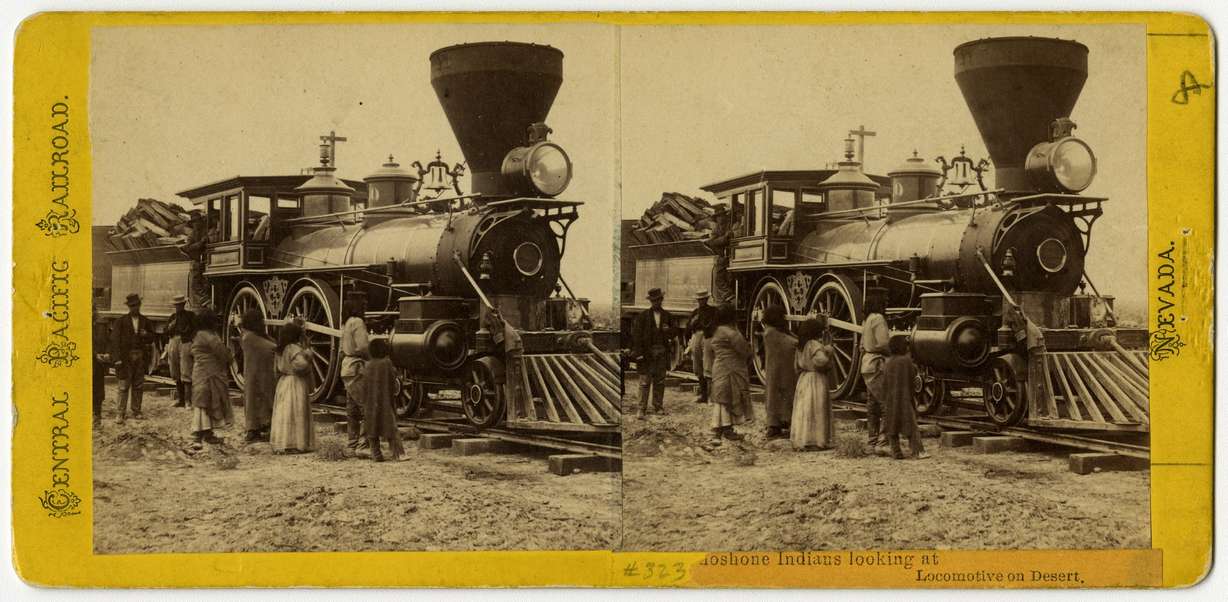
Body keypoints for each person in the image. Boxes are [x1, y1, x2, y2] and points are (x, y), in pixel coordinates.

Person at [707, 303, 753, 443]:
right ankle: (723, 430)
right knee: (729, 399)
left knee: (722, 400)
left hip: (720, 367)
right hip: (730, 369)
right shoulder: (731, 332)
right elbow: (744, 350)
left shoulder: (717, 330)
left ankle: (721, 429)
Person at [270, 322, 316, 453]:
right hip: (295, 382)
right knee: (296, 411)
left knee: (284, 413)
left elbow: (276, 370)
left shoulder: (280, 349)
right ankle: (295, 443)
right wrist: (308, 355)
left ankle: (283, 442)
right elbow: (301, 366)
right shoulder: (293, 348)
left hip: (283, 381)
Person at [882, 335, 930, 460]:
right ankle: (918, 451)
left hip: (891, 400)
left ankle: (896, 452)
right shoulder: (906, 361)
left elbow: (885, 383)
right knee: (911, 427)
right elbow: (913, 377)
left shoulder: (887, 362)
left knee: (892, 428)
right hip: (904, 398)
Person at [190, 309, 234, 445]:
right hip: (209, 373)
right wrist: (230, 356)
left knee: (202, 402)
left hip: (200, 372)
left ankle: (205, 432)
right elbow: (222, 352)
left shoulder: (199, 334)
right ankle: (200, 434)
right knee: (207, 400)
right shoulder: (210, 336)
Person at [791, 317, 835, 451]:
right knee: (817, 408)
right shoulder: (814, 345)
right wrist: (828, 352)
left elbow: (796, 366)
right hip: (816, 379)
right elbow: (820, 362)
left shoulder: (801, 345)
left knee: (804, 410)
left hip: (804, 379)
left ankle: (803, 439)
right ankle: (816, 440)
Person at [110, 293, 153, 423]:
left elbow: (152, 338)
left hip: (140, 355)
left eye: (136, 305)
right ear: (129, 307)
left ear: (139, 305)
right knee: (123, 385)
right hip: (125, 356)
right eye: (132, 306)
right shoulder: (121, 321)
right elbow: (115, 341)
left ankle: (136, 410)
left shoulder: (145, 321)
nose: (134, 308)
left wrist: (146, 335)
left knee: (138, 385)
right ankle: (120, 413)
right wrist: (117, 358)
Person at [631, 287, 673, 418]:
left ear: (661, 300)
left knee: (660, 381)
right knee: (644, 381)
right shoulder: (643, 317)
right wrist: (639, 354)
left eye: (658, 300)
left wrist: (668, 330)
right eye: (654, 301)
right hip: (647, 353)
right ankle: (641, 409)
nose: (656, 303)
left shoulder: (667, 316)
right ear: (651, 301)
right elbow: (636, 337)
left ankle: (658, 406)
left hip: (661, 352)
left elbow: (674, 332)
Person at [363, 339, 405, 462]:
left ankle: (376, 454)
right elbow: (393, 383)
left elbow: (364, 385)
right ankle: (398, 453)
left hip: (371, 402)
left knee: (372, 428)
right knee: (391, 428)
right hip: (385, 400)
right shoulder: (387, 363)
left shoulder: (368, 365)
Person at [859, 288, 891, 453]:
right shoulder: (878, 318)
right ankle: (882, 443)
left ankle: (871, 442)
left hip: (867, 364)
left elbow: (862, 345)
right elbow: (884, 343)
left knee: (872, 405)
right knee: (887, 403)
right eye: (884, 299)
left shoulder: (867, 320)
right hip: (878, 364)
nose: (887, 302)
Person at [239, 308, 276, 442]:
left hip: (258, 372)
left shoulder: (251, 335)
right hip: (256, 374)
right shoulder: (249, 337)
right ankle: (252, 430)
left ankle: (258, 427)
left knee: (258, 398)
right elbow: (269, 346)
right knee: (257, 398)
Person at [761, 304, 797, 439]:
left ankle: (776, 424)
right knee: (782, 395)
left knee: (777, 396)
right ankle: (775, 425)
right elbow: (791, 343)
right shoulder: (771, 333)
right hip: (780, 371)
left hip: (778, 370)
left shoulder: (773, 331)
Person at [340, 291, 371, 449]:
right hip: (357, 367)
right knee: (367, 406)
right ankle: (363, 445)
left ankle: (352, 444)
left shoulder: (346, 323)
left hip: (346, 367)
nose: (365, 305)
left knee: (351, 409)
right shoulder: (358, 322)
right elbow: (363, 346)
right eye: (363, 303)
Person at [685, 290, 717, 404]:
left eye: (703, 299)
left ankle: (710, 397)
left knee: (708, 366)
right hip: (696, 336)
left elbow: (713, 325)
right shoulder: (695, 312)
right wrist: (692, 324)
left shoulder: (713, 311)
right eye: (699, 299)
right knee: (698, 366)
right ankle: (703, 395)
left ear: (706, 299)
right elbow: (688, 327)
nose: (701, 301)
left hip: (708, 337)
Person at [165, 295, 195, 407]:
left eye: (180, 305)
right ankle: (181, 400)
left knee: (186, 370)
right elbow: (165, 331)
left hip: (185, 342)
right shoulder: (172, 317)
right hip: (173, 341)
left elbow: (195, 329)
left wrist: (191, 340)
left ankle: (188, 401)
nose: (178, 307)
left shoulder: (190, 316)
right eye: (177, 305)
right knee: (175, 370)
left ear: (183, 305)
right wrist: (170, 327)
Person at [704, 205, 734, 305]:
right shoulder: (716, 229)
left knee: (722, 278)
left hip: (731, 255)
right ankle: (728, 296)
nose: (720, 218)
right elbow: (711, 242)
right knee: (718, 279)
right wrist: (724, 238)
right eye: (718, 216)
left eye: (722, 216)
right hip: (722, 256)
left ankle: (729, 296)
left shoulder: (730, 225)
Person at [92, 299, 111, 428]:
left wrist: (108, 353)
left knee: (98, 390)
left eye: (93, 309)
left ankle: (97, 416)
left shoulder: (102, 323)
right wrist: (94, 354)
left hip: (98, 364)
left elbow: (110, 340)